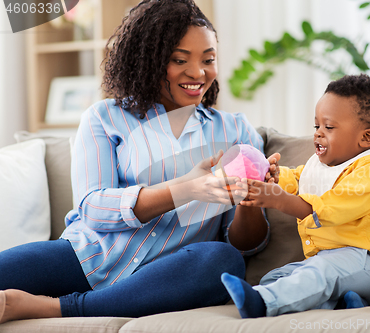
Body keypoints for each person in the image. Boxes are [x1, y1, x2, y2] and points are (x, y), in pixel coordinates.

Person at [0, 0, 280, 323]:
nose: (198, 73)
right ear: (149, 60)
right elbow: (93, 207)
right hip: (84, 257)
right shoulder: (104, 118)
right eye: (180, 60)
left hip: (163, 277)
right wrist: (187, 189)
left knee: (225, 261)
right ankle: (102, 301)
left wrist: (249, 199)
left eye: (209, 59)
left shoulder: (236, 131)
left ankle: (59, 308)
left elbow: (245, 243)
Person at [220, 74, 370, 318]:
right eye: (317, 126)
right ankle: (347, 303)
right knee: (275, 277)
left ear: (366, 137)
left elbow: (332, 208)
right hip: (332, 265)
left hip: (366, 265)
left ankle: (262, 303)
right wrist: (271, 175)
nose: (318, 134)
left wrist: (279, 199)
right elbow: (294, 179)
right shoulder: (318, 166)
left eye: (329, 127)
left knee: (319, 271)